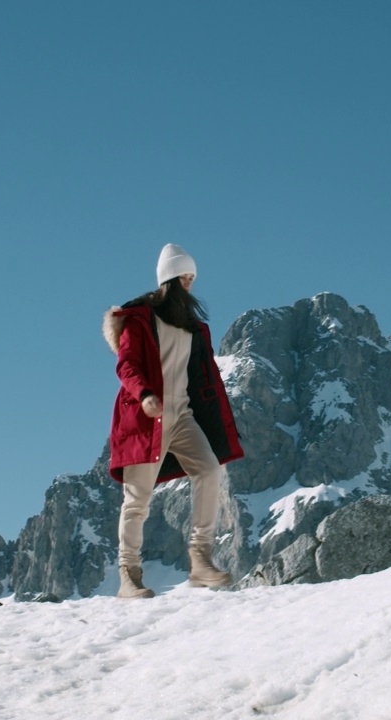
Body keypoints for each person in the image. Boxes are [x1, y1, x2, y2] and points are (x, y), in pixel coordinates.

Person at [101, 244, 244, 599]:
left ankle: (200, 559)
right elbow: (127, 364)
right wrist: (145, 394)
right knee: (137, 500)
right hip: (144, 417)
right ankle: (129, 575)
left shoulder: (192, 327)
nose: (190, 283)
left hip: (182, 415)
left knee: (209, 471)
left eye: (193, 277)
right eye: (185, 276)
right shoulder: (139, 320)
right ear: (170, 279)